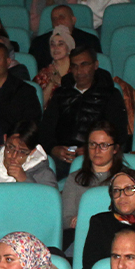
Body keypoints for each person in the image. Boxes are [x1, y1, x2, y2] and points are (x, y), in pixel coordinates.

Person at [40, 47, 127, 176]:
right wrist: (53, 148)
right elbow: (46, 128)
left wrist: (92, 148)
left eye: (84, 65)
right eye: (74, 66)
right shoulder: (61, 94)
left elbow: (119, 133)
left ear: (95, 65)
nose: (79, 71)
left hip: (97, 155)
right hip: (62, 156)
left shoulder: (110, 95)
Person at [61, 122, 125, 233]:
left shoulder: (126, 179)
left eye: (104, 145)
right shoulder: (75, 178)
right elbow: (64, 218)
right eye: (92, 144)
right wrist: (73, 221)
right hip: (81, 234)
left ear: (115, 149)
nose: (97, 150)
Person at [28, 5, 100, 70]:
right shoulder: (39, 43)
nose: (58, 21)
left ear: (73, 20)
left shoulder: (90, 40)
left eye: (61, 18)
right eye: (54, 19)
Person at [33, 26, 75, 106]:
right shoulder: (44, 73)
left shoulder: (76, 71)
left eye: (60, 44)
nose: (55, 48)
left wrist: (61, 82)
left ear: (69, 48)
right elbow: (38, 105)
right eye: (52, 44)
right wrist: (51, 83)